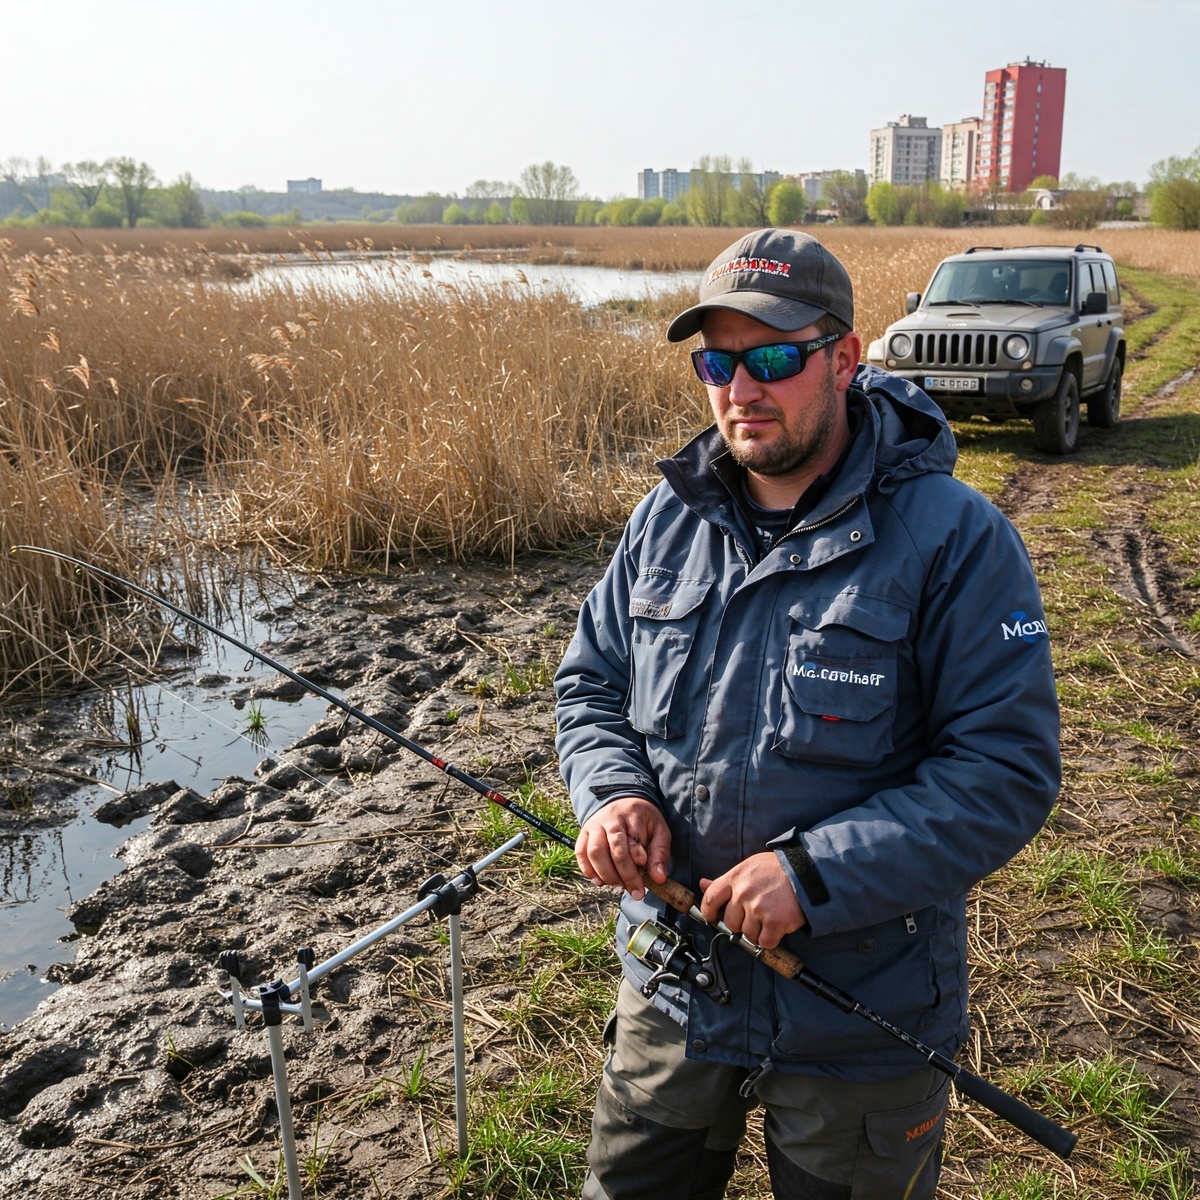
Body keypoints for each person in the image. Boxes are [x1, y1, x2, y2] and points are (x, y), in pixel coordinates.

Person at [553, 229, 1061, 1200]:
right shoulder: (664, 520)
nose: (742, 388)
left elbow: (1005, 771)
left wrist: (812, 875)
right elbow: (590, 686)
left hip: (860, 1023)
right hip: (671, 985)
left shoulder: (957, 540)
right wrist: (610, 796)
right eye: (718, 361)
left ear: (844, 359)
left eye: (775, 357)